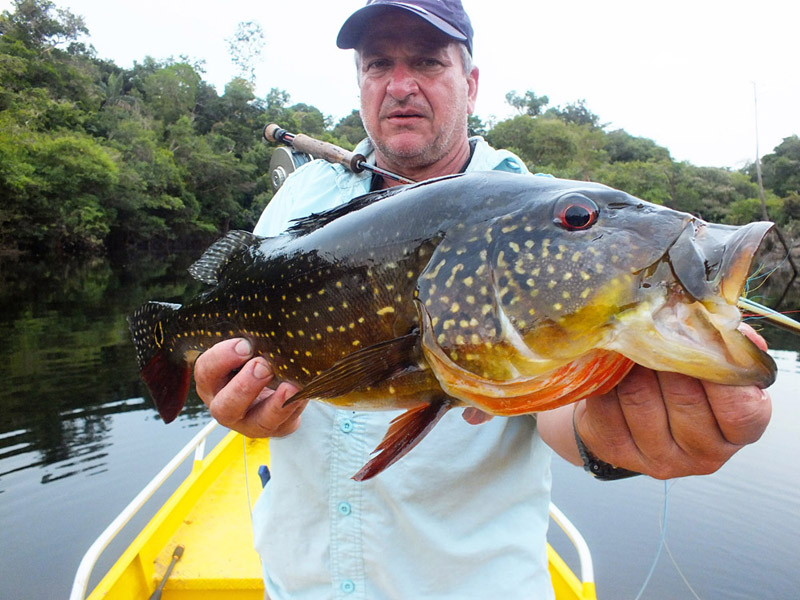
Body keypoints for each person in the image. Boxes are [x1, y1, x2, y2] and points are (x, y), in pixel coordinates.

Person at [194, 2, 772, 598]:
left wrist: (614, 438)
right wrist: (235, 403)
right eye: (377, 65)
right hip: (299, 582)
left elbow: (560, 406)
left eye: (426, 61)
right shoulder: (297, 200)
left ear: (469, 84)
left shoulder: (532, 212)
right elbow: (239, 345)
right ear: (361, 82)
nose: (400, 85)